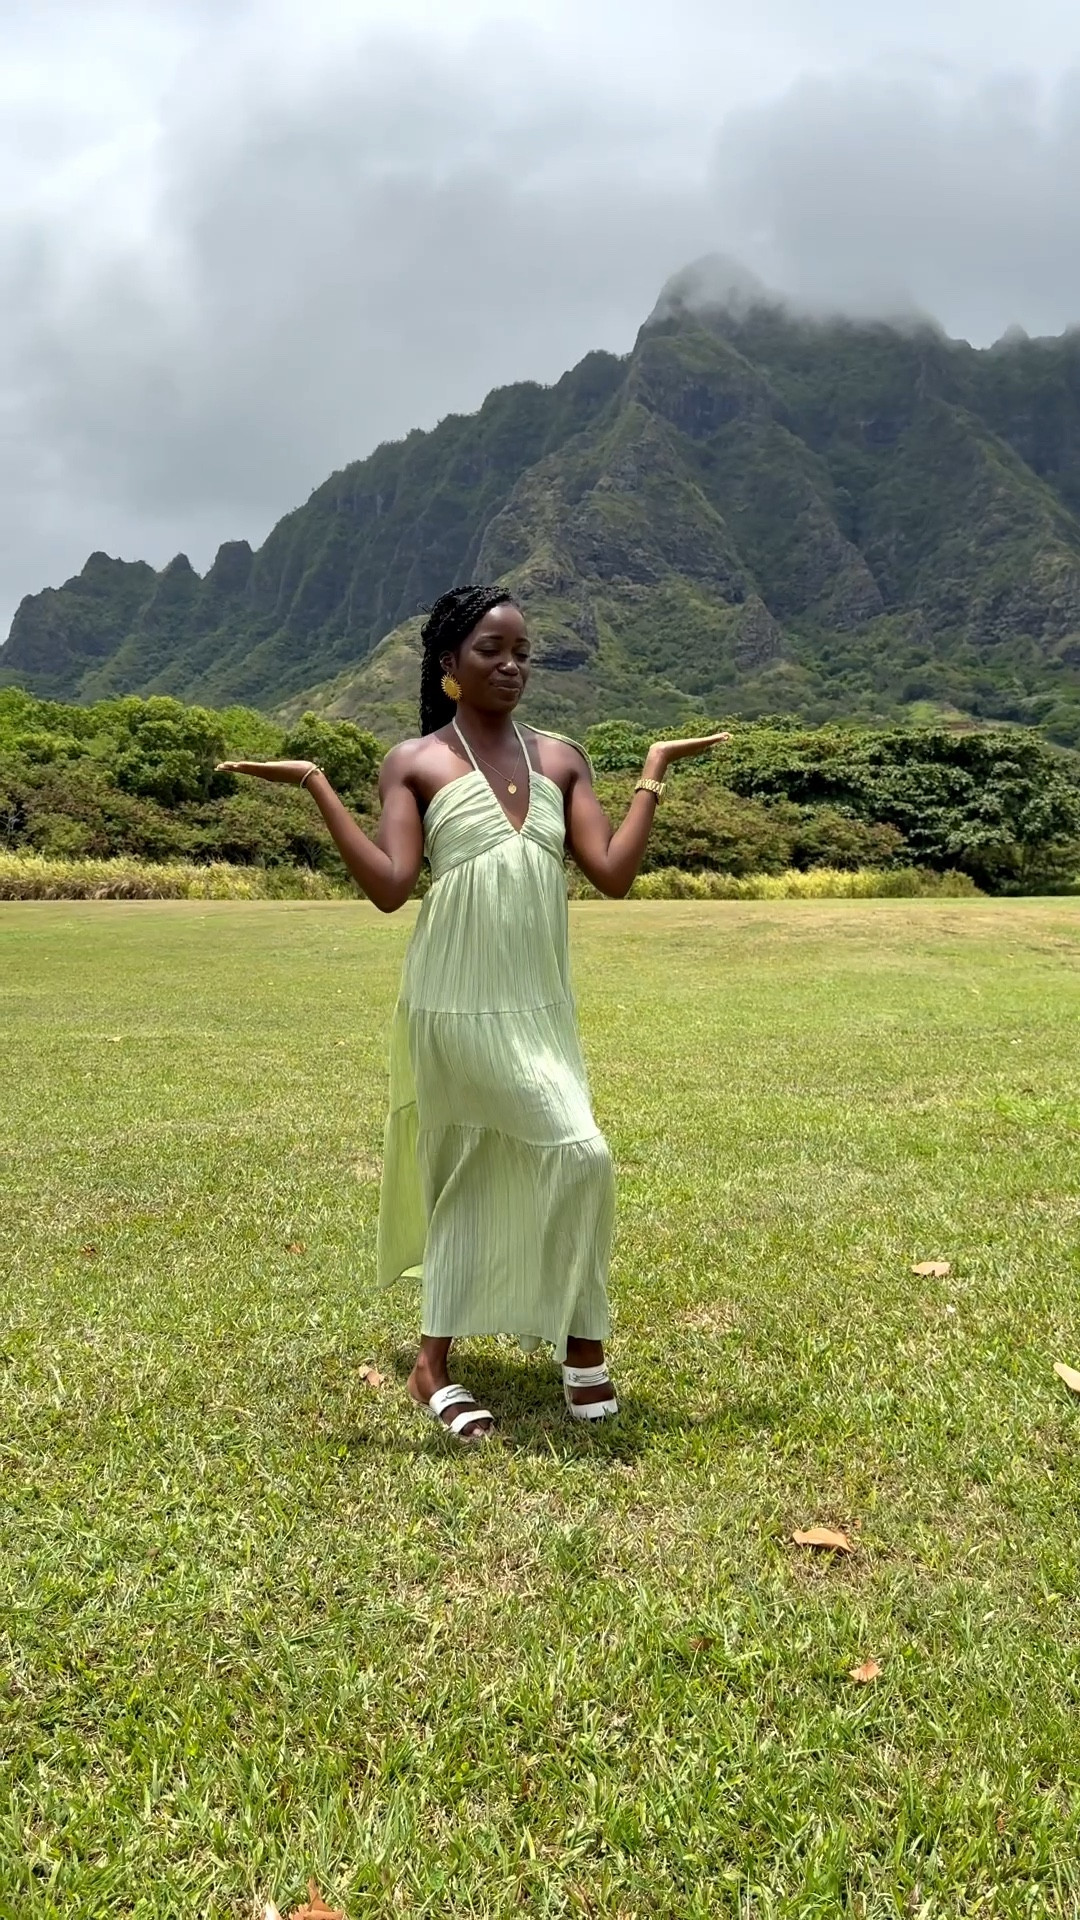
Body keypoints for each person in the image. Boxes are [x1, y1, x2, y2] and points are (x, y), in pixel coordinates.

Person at [218, 584, 729, 1443]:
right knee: (569, 1150)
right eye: (491, 650)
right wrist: (314, 784)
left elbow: (611, 874)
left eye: (523, 651)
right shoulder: (415, 761)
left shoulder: (561, 758)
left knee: (534, 1159)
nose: (512, 665)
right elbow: (390, 888)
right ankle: (574, 1349)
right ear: (449, 665)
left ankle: (446, 1362)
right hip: (453, 998)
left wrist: (655, 769)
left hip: (539, 1002)